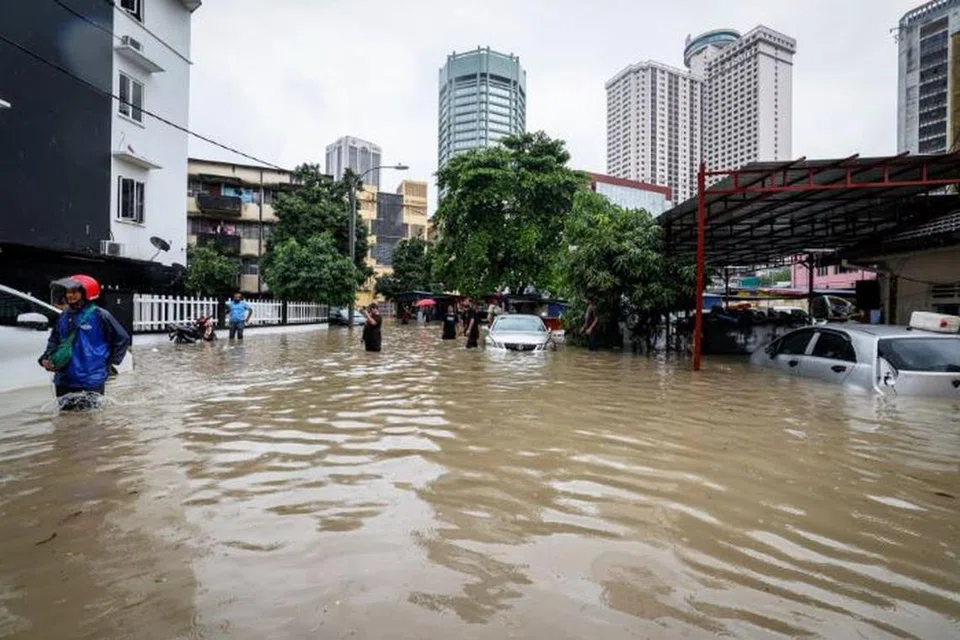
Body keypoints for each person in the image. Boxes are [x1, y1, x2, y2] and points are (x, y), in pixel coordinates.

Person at [39, 274, 130, 411]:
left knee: (89, 424)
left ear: (86, 293)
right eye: (68, 292)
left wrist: (109, 362)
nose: (70, 295)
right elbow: (54, 340)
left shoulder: (101, 315)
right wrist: (45, 358)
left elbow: (122, 338)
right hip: (64, 379)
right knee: (65, 422)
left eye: (75, 291)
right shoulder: (63, 316)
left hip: (91, 380)